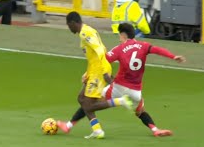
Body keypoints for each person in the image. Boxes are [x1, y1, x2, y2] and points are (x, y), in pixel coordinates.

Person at [57, 23, 186, 137]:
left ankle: (70, 126)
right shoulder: (144, 46)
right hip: (136, 92)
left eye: (119, 36)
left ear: (123, 35)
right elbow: (158, 50)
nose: (119, 38)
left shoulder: (119, 49)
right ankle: (155, 129)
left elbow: (103, 61)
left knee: (88, 102)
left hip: (118, 88)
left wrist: (88, 73)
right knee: (140, 111)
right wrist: (173, 56)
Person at [62, 12, 133, 139]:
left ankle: (120, 101)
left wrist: (105, 71)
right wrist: (87, 72)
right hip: (94, 70)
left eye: (68, 25)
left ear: (73, 23)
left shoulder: (85, 33)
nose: (69, 29)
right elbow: (93, 56)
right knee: (82, 99)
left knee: (88, 105)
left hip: (99, 71)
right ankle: (96, 130)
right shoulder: (86, 31)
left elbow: (100, 50)